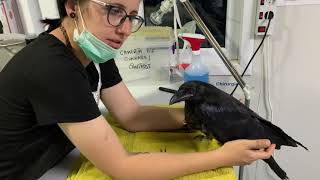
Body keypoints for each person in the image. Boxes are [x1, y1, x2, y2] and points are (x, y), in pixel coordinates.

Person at [0, 0, 276, 179]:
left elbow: (131, 115)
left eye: (132, 16)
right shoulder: (53, 68)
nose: (125, 29)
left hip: (56, 157)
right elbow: (124, 168)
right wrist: (223, 157)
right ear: (73, 6)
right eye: (114, 10)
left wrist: (210, 116)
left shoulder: (94, 51)